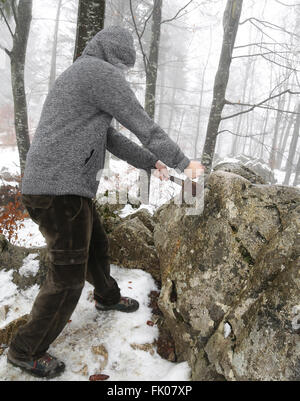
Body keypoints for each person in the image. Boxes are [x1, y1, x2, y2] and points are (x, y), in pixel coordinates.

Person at [7, 25, 204, 378]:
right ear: (116, 57)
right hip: (58, 190)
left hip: (62, 188)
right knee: (67, 278)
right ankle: (24, 350)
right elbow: (142, 123)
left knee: (96, 245)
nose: (123, 74)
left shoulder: (82, 72)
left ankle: (107, 296)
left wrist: (151, 162)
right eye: (124, 67)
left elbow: (109, 136)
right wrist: (182, 162)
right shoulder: (98, 73)